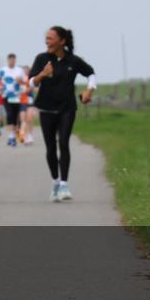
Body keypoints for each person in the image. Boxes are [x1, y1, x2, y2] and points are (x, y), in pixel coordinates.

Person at [29, 26, 96, 202]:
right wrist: (43, 74)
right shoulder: (42, 58)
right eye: (46, 38)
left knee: (64, 142)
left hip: (67, 108)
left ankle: (65, 184)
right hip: (46, 108)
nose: (47, 41)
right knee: (51, 148)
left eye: (51, 38)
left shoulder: (73, 61)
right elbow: (31, 83)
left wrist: (90, 90)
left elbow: (90, 73)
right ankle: (55, 182)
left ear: (62, 41)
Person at [0, 54, 25, 147]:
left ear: (15, 60)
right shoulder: (3, 70)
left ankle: (14, 134)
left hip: (17, 96)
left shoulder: (19, 70)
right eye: (10, 60)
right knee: (9, 114)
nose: (12, 61)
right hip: (6, 96)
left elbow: (25, 81)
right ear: (8, 60)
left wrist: (20, 80)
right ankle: (12, 136)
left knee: (15, 117)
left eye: (13, 60)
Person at [19, 65, 35, 145]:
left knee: (29, 119)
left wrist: (29, 89)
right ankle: (24, 136)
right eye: (24, 70)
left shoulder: (31, 79)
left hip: (30, 101)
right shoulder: (19, 79)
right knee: (23, 119)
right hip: (22, 101)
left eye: (27, 70)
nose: (25, 71)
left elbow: (36, 88)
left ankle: (29, 135)